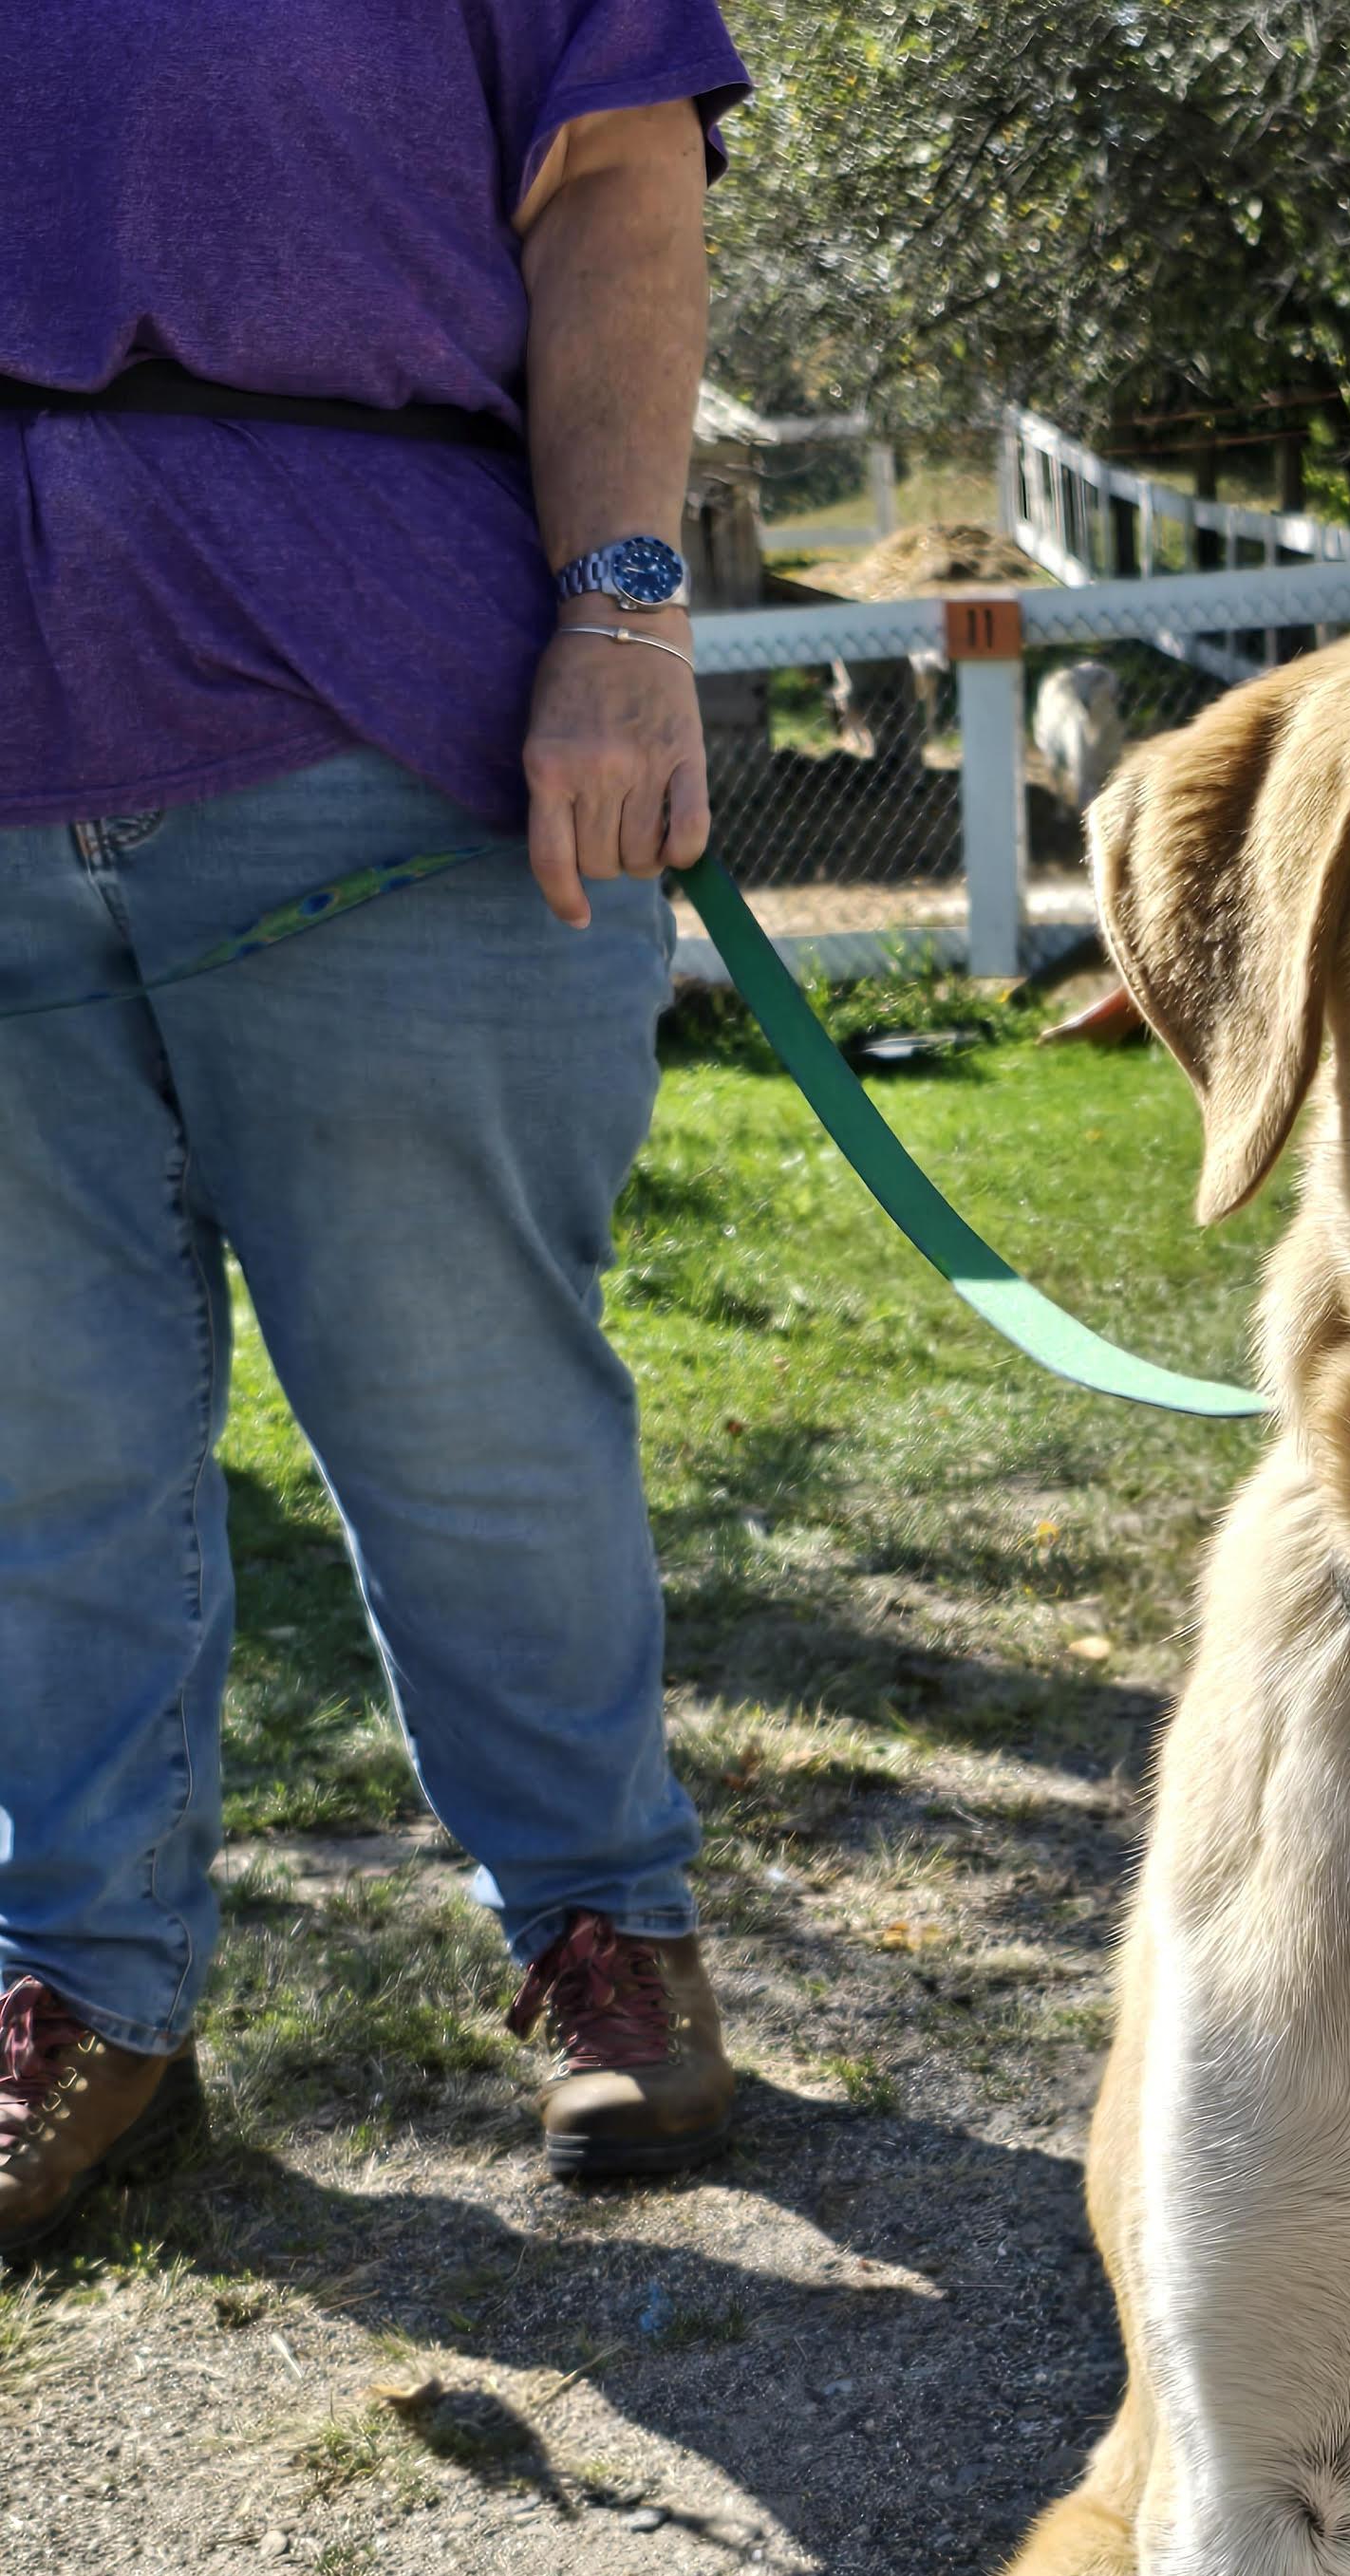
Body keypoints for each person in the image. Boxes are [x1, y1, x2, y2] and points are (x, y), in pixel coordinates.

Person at [0, 1, 755, 2262]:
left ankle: (607, 1921)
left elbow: (617, 173)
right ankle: (88, 1992)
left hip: (389, 721)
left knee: (465, 1409)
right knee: (36, 1444)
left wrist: (624, 615)